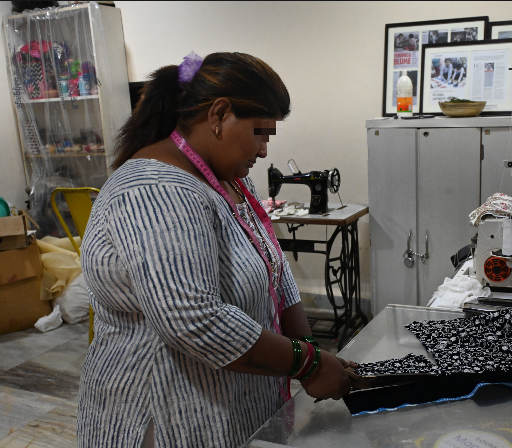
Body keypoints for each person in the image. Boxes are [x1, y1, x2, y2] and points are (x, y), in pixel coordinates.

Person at [77, 52, 355, 447]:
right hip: (169, 415)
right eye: (260, 133)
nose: (263, 150)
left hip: (235, 405)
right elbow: (193, 319)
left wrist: (309, 351)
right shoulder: (156, 190)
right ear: (219, 114)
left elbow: (275, 270)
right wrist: (307, 364)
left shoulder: (231, 182)